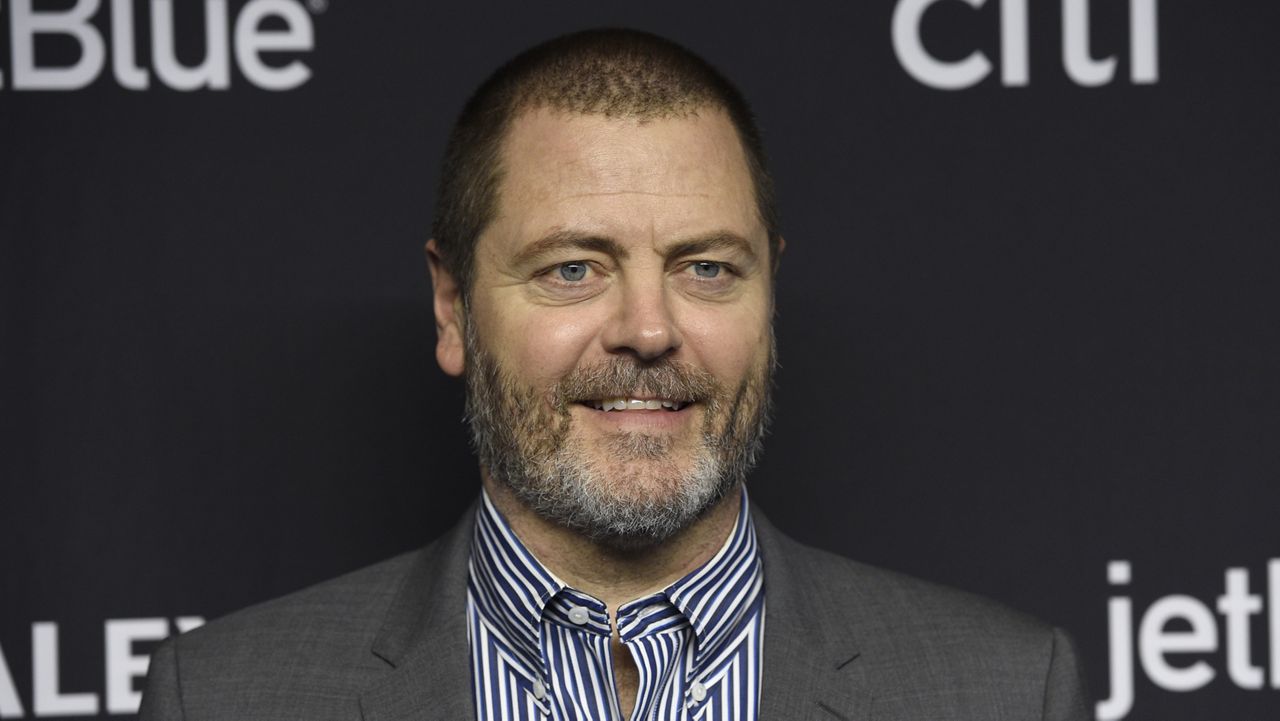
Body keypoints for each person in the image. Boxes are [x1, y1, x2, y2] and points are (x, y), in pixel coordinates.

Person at [140, 28, 1089, 721]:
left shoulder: (1006, 692)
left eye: (706, 267)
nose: (647, 329)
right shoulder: (223, 697)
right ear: (452, 306)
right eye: (572, 269)